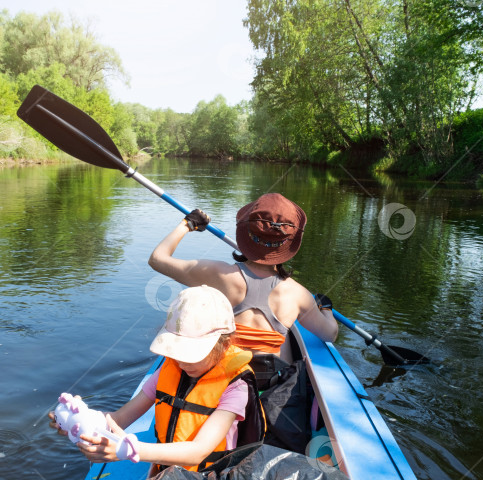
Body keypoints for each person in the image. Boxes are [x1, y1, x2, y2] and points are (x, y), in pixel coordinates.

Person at [49, 285, 265, 473]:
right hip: (166, 468)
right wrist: (82, 420)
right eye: (177, 353)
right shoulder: (169, 370)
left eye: (192, 354)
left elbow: (199, 451)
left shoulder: (236, 386)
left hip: (209, 473)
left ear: (224, 345)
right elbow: (120, 418)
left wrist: (129, 450)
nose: (182, 362)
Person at [148, 193, 338, 374]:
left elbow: (157, 259)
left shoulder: (218, 274)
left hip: (226, 378)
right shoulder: (298, 294)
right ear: (290, 243)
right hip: (271, 386)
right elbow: (329, 334)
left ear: (246, 234)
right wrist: (326, 309)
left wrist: (187, 224)